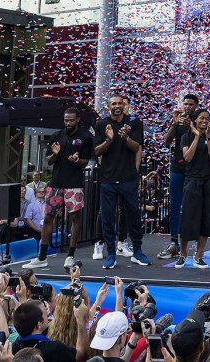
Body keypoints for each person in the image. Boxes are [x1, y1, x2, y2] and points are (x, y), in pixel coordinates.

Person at [25, 106, 94, 269]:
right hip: (56, 184)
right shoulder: (56, 136)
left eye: (71, 120)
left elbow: (85, 162)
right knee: (48, 218)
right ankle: (42, 257)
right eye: (66, 120)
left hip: (74, 185)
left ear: (78, 120)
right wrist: (56, 153)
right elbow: (49, 161)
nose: (68, 123)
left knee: (75, 219)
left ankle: (70, 255)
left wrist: (76, 160)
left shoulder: (85, 137)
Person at [94, 93, 150, 268]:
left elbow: (137, 147)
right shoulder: (101, 124)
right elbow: (96, 151)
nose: (117, 106)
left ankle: (138, 251)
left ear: (124, 105)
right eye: (113, 104)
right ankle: (111, 254)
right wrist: (109, 140)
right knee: (108, 216)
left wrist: (126, 138)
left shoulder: (134, 122)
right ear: (108, 106)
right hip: (108, 178)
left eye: (119, 103)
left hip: (128, 177)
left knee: (133, 214)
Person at [176, 108, 210, 268]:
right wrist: (196, 136)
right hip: (193, 180)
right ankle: (183, 253)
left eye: (207, 118)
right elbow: (187, 157)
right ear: (195, 120)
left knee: (207, 217)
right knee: (188, 216)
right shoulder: (186, 137)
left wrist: (207, 137)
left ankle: (199, 255)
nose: (204, 121)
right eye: (202, 118)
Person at [160, 92, 199, 260]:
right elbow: (166, 141)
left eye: (191, 104)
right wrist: (175, 124)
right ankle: (173, 242)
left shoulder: (200, 120)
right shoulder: (177, 121)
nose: (188, 107)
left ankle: (196, 241)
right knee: (175, 206)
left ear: (196, 106)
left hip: (195, 170)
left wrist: (193, 126)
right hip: (177, 168)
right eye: (186, 104)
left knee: (194, 206)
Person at [11, 299, 78, 362]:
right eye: (46, 316)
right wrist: (81, 321)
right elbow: (81, 355)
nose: (48, 317)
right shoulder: (54, 349)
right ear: (39, 324)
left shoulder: (12, 348)